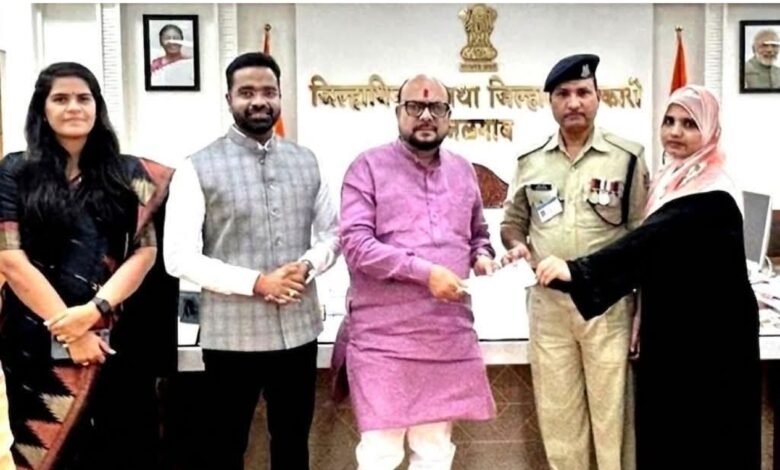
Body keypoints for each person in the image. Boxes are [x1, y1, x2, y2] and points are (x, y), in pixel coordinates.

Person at [536, 84, 761, 469]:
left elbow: (647, 243)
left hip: (711, 341)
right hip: (676, 331)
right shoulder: (672, 179)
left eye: (689, 124)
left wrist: (577, 271)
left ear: (710, 130)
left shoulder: (712, 192)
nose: (675, 132)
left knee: (707, 440)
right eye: (669, 121)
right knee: (669, 436)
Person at [163, 51, 339, 470]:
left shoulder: (306, 160)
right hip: (231, 338)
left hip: (298, 333)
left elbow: (334, 233)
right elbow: (178, 257)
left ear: (279, 96)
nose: (259, 101)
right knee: (225, 448)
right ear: (229, 99)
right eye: (246, 92)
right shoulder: (196, 167)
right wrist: (258, 283)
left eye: (268, 91)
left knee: (293, 445)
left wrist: (308, 266)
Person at [0, 62, 166, 469]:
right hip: (33, 340)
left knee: (122, 450)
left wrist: (94, 312)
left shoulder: (128, 174)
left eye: (83, 98)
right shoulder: (15, 171)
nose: (73, 107)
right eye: (60, 99)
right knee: (46, 455)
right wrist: (69, 329)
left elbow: (145, 252)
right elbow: (10, 259)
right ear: (42, 110)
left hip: (110, 339)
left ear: (97, 107)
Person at [333, 74, 498, 470]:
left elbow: (478, 234)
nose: (426, 116)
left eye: (436, 107)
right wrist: (425, 273)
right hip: (384, 340)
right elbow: (356, 245)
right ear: (398, 113)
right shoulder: (367, 167)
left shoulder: (463, 171)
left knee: (435, 450)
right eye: (415, 106)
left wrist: (483, 256)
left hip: (445, 335)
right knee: (381, 454)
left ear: (449, 116)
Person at [500, 53, 649, 470]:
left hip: (607, 308)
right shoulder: (530, 160)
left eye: (583, 92)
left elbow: (642, 237)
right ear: (550, 102)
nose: (574, 102)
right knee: (559, 419)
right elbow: (512, 223)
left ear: (598, 97)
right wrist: (518, 246)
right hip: (550, 309)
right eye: (563, 94)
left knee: (612, 419)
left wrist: (642, 308)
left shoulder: (627, 157)